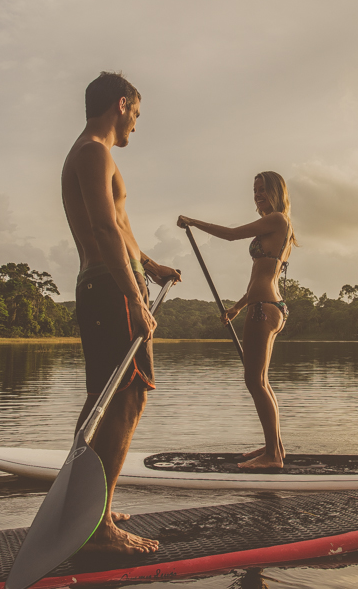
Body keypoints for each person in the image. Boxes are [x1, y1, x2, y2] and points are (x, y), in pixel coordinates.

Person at [61, 71, 180, 554]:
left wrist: (151, 266)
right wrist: (134, 294)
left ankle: (91, 509)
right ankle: (99, 529)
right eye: (136, 113)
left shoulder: (92, 153)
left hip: (110, 284)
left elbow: (121, 227)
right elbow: (105, 230)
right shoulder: (93, 151)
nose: (136, 124)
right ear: (123, 103)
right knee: (128, 397)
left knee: (102, 400)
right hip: (111, 290)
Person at [177, 171, 296, 469]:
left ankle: (272, 456)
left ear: (276, 192)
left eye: (263, 190)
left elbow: (231, 235)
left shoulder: (279, 220)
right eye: (254, 190)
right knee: (262, 381)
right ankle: (275, 448)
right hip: (264, 305)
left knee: (254, 380)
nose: (257, 195)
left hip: (264, 308)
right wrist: (238, 308)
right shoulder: (278, 225)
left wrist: (193, 222)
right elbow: (261, 274)